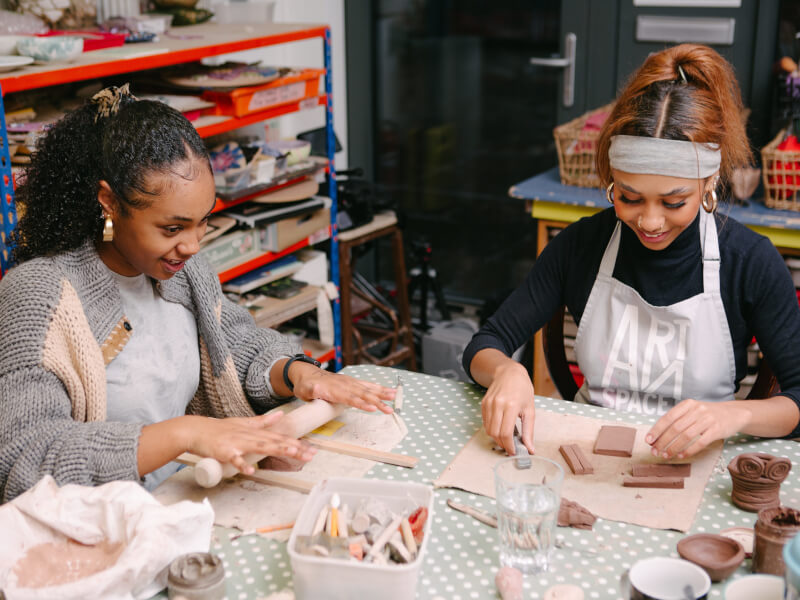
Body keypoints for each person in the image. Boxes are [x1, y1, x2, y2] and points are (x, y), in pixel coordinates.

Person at [0, 85, 395, 503]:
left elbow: (234, 342)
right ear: (109, 203)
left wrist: (297, 373)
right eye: (172, 228)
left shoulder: (180, 272)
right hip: (103, 531)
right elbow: (22, 459)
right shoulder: (37, 296)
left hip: (187, 500)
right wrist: (185, 433)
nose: (193, 245)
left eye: (203, 221)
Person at [464, 44, 800, 461]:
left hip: (702, 471)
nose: (650, 221)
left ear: (708, 183)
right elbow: (485, 343)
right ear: (612, 180)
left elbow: (797, 398)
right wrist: (506, 370)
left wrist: (733, 416)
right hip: (589, 458)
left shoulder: (749, 262)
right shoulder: (581, 246)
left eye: (674, 201)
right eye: (629, 197)